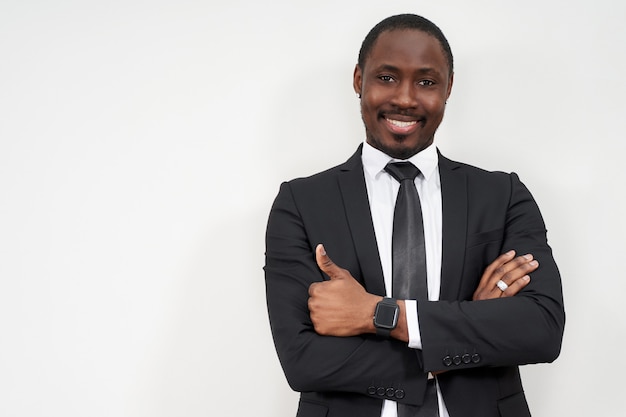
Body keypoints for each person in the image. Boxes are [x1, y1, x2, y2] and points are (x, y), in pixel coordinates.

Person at [264, 14, 564, 417]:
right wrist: (464, 332)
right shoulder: (301, 203)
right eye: (386, 77)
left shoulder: (503, 195)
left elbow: (540, 329)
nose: (406, 98)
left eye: (426, 82)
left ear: (448, 88)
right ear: (358, 80)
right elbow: (302, 360)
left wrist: (377, 314)